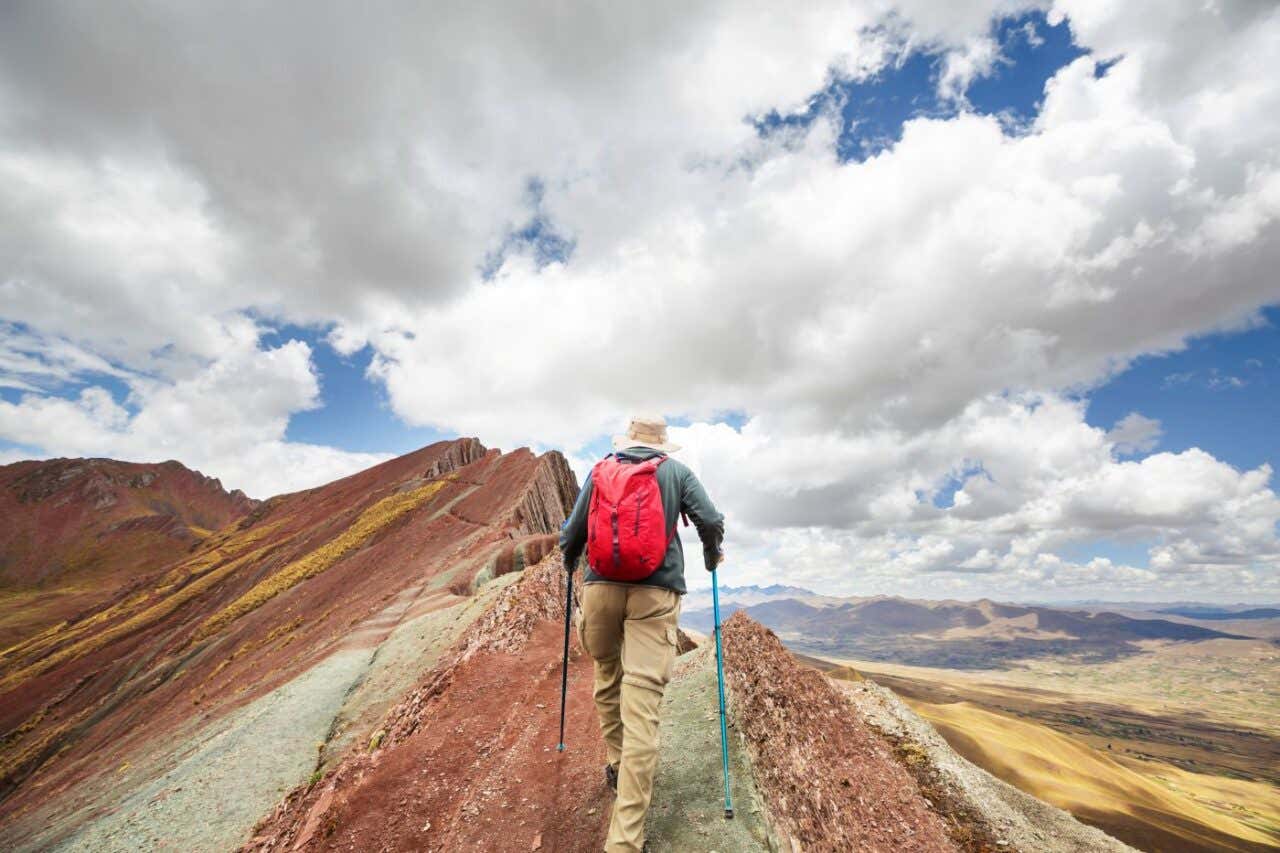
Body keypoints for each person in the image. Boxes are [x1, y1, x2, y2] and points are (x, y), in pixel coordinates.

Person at [559, 414, 725, 853]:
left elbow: (571, 534)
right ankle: (625, 842)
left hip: (600, 591)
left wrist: (570, 562)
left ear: (628, 441)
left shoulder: (601, 470)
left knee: (607, 675)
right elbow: (709, 519)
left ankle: (617, 762)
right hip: (655, 593)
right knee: (643, 704)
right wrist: (711, 552)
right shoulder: (676, 472)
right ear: (661, 444)